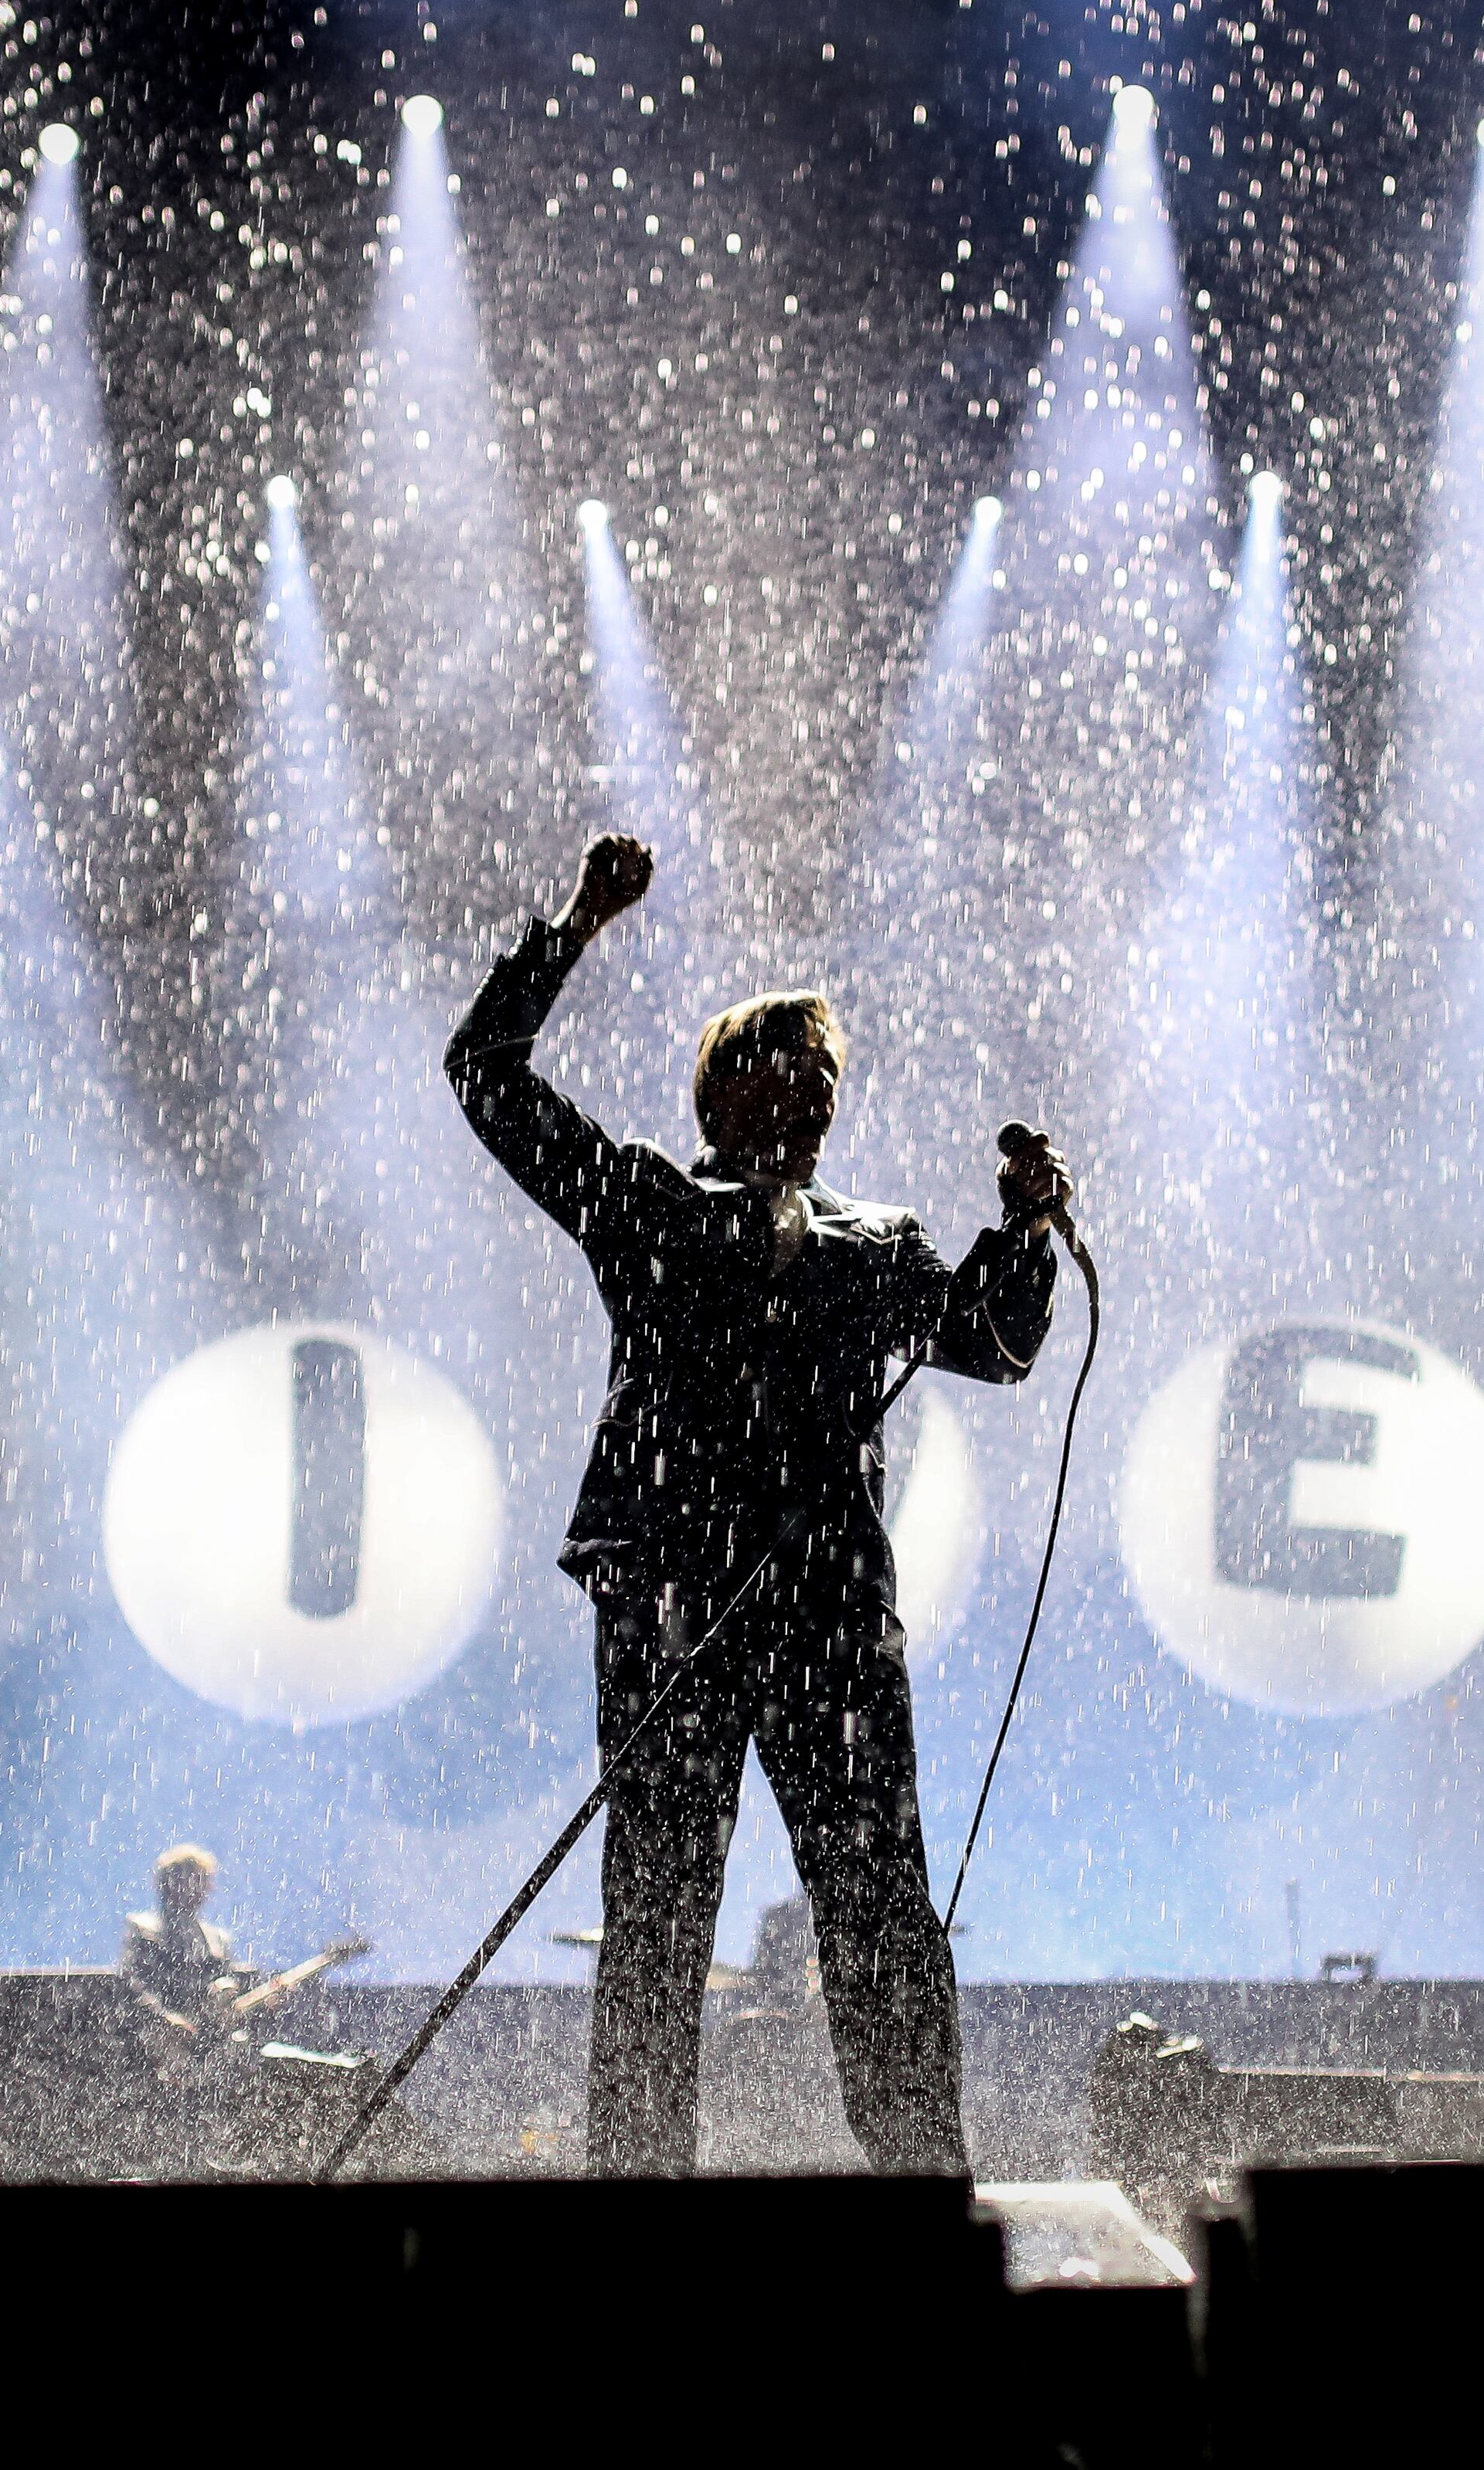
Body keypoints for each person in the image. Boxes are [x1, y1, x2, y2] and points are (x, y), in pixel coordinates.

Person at [448, 830, 1072, 2179]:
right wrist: (573, 924)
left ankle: (922, 2175)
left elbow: (996, 1342)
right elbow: (485, 1076)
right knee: (660, 1907)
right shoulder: (650, 1204)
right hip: (675, 1601)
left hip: (831, 1617)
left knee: (879, 1905)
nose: (803, 1105)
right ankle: (642, 2186)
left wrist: (1023, 1231)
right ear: (720, 1100)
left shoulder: (880, 1241)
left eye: (821, 1086)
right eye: (777, 1081)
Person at [119, 1843, 247, 2064]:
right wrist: (163, 2018)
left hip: (210, 2044)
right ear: (170, 1884)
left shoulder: (216, 1940)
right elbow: (133, 1983)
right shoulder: (146, 1930)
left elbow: (230, 1991)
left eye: (204, 1882)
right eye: (195, 1880)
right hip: (159, 2045)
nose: (204, 1890)